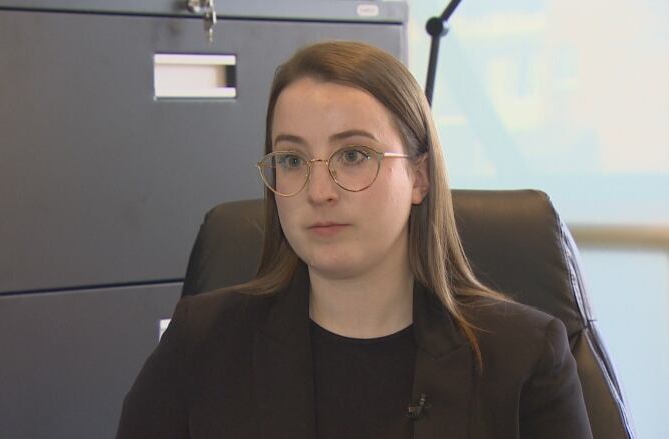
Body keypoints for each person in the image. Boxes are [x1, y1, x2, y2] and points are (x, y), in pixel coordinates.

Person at [115, 41, 593, 439]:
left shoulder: (525, 356)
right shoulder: (202, 342)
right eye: (294, 160)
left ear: (419, 177)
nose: (320, 191)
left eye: (353, 155)